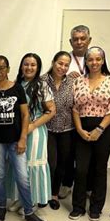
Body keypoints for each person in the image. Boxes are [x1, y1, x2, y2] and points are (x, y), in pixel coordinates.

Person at [0, 55, 46, 221]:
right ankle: (1, 207)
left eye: (1, 68)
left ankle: (29, 212)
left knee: (23, 177)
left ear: (8, 69)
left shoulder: (17, 89)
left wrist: (23, 138)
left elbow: (25, 115)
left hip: (15, 141)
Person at [69, 46, 110, 221]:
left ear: (103, 61)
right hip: (82, 127)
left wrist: (99, 129)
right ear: (86, 61)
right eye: (90, 59)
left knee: (99, 168)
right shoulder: (78, 82)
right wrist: (79, 129)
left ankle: (96, 208)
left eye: (98, 59)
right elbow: (75, 108)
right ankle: (78, 206)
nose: (94, 62)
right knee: (81, 169)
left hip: (105, 128)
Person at [9, 53, 55, 211]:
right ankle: (21, 199)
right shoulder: (16, 84)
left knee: (32, 166)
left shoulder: (42, 85)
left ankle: (32, 201)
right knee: (19, 166)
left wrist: (33, 125)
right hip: (17, 131)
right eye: (26, 64)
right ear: (21, 66)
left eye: (33, 65)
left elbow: (51, 111)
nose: (29, 67)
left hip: (35, 132)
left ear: (38, 67)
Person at [61, 25, 93, 200]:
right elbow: (55, 78)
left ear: (89, 40)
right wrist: (67, 77)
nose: (79, 42)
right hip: (68, 114)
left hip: (89, 114)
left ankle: (88, 186)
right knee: (68, 153)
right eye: (76, 39)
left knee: (88, 153)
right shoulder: (66, 59)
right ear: (70, 41)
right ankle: (66, 183)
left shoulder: (95, 58)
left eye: (83, 38)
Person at [42, 51, 74, 210]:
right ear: (53, 62)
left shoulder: (73, 82)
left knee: (63, 163)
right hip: (47, 129)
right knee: (50, 163)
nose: (62, 67)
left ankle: (54, 195)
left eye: (66, 65)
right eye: (60, 63)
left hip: (67, 129)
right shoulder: (42, 80)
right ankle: (44, 193)